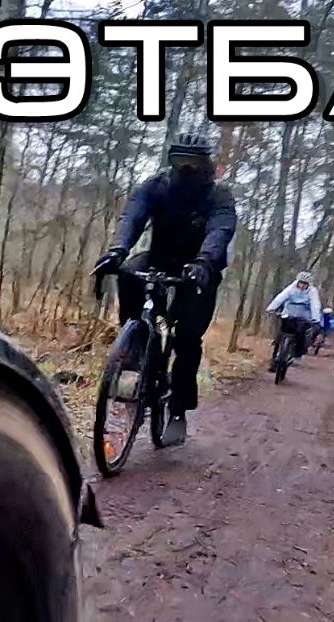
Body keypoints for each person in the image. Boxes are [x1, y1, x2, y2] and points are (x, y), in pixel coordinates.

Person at [94, 131, 238, 447]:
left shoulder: (219, 196)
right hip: (160, 258)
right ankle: (135, 344)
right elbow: (133, 216)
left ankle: (178, 410)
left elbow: (220, 231)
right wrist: (118, 250)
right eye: (180, 161)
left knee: (187, 338)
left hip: (200, 267)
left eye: (193, 163)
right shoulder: (156, 186)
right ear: (170, 161)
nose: (186, 169)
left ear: (206, 164)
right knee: (128, 272)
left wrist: (204, 262)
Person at [264, 271, 321, 371]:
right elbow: (280, 298)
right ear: (297, 282)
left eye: (305, 284)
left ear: (309, 285)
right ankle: (275, 359)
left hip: (304, 316)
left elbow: (315, 305)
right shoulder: (291, 288)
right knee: (280, 334)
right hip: (289, 313)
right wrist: (271, 308)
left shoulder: (312, 292)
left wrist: (315, 319)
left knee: (301, 333)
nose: (302, 286)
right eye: (301, 283)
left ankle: (297, 353)